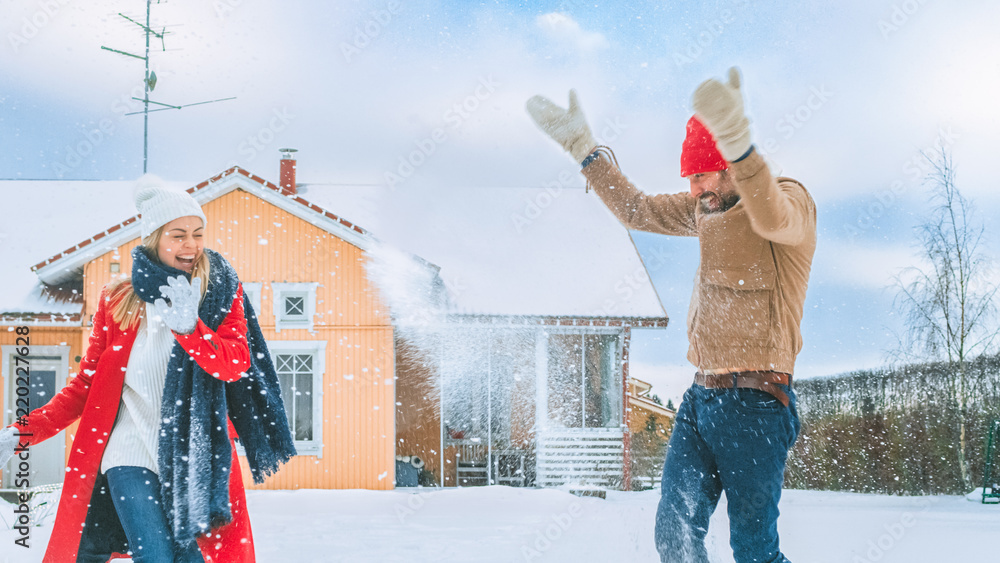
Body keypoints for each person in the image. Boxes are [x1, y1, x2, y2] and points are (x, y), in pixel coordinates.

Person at [526, 67, 816, 562]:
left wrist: (739, 144)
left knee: (753, 551)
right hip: (702, 398)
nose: (693, 187)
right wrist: (585, 152)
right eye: (689, 177)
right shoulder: (705, 208)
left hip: (759, 402)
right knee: (675, 533)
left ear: (728, 165)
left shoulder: (791, 201)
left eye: (701, 173)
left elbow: (770, 214)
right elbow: (638, 209)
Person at [0, 178, 296, 562]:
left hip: (194, 456)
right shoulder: (118, 300)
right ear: (154, 239)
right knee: (154, 555)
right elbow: (85, 386)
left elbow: (235, 363)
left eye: (197, 234)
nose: (191, 245)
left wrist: (192, 329)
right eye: (178, 235)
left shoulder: (219, 292)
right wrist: (22, 432)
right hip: (128, 452)